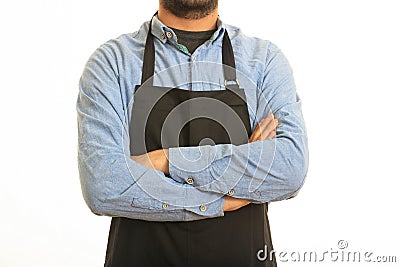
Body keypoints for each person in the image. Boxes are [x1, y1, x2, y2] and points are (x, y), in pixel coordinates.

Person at [77, 0, 308, 266]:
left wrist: (164, 161)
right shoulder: (112, 63)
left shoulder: (264, 61)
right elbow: (103, 187)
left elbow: (289, 168)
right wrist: (222, 199)